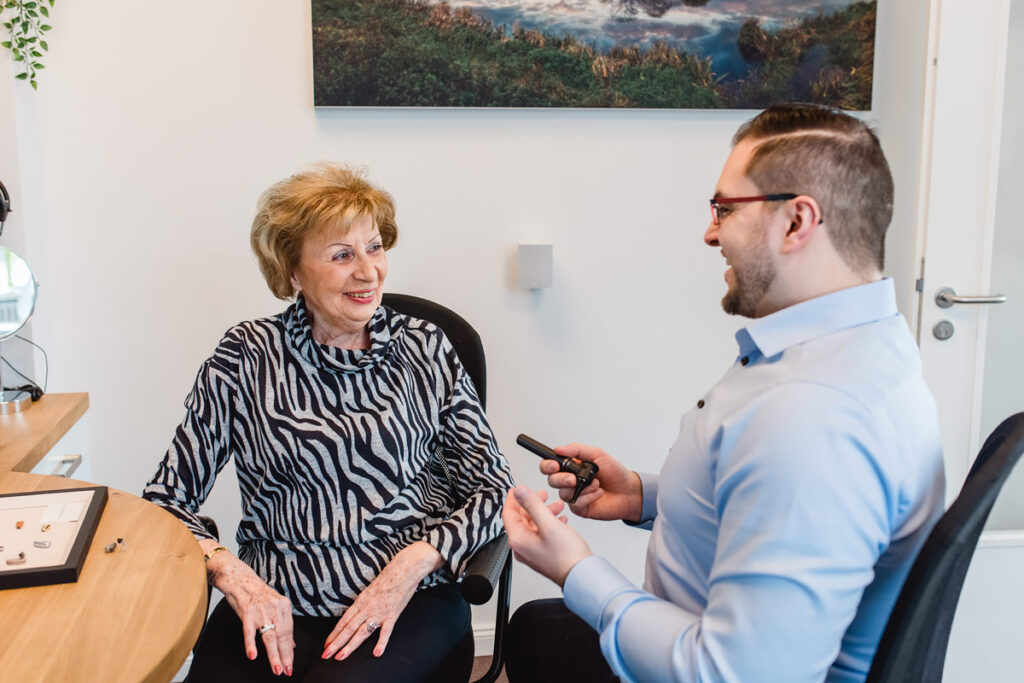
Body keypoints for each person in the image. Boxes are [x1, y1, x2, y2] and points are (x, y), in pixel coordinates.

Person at [502, 103, 946, 683]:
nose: (710, 232)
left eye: (724, 209)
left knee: (546, 628)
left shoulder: (811, 416)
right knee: (540, 631)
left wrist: (577, 570)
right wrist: (641, 496)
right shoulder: (855, 346)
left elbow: (733, 674)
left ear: (795, 222)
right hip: (693, 626)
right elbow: (764, 492)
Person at [143, 162, 514, 682]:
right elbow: (164, 500)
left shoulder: (425, 348)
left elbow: (494, 489)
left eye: (375, 247)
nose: (368, 272)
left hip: (409, 598)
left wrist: (411, 566)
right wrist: (234, 575)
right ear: (292, 271)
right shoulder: (245, 356)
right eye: (342, 255)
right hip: (275, 594)